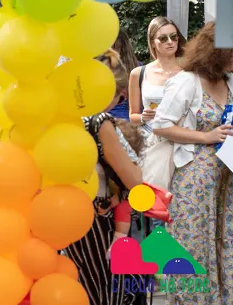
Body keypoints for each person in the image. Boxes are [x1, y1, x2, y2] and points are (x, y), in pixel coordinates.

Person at [151, 22, 233, 305]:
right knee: (193, 245)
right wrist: (206, 136)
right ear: (217, 51)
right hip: (195, 181)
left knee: (224, 243)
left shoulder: (229, 80)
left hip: (226, 183)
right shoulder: (187, 81)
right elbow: (160, 125)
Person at [64, 49, 143, 305]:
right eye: (119, 94)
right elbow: (134, 181)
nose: (119, 101)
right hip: (99, 222)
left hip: (62, 216)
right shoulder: (99, 122)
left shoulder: (60, 116)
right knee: (106, 293)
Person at [129, 16, 184, 126]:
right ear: (152, 42)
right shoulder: (138, 73)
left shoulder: (189, 70)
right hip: (150, 138)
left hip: (181, 138)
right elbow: (132, 116)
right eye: (163, 38)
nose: (170, 42)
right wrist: (143, 117)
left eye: (174, 37)